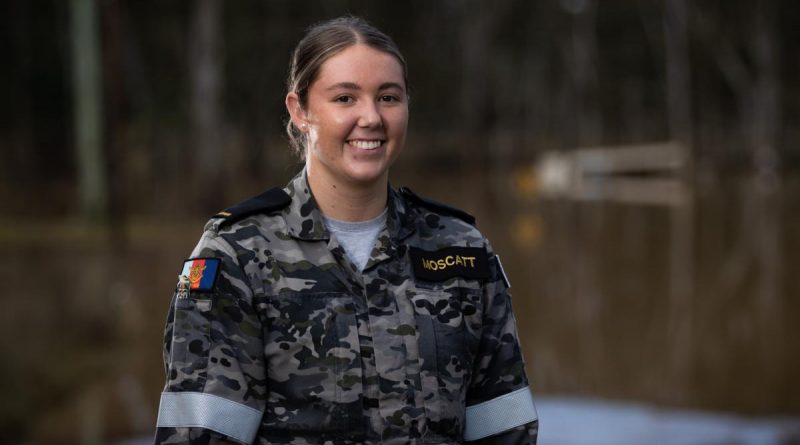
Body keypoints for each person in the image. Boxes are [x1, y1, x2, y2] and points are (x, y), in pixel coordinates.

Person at [155, 16, 538, 445]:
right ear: (300, 111)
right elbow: (200, 435)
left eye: (388, 97)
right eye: (345, 98)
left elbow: (506, 427)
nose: (371, 117)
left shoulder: (462, 248)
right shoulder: (235, 255)